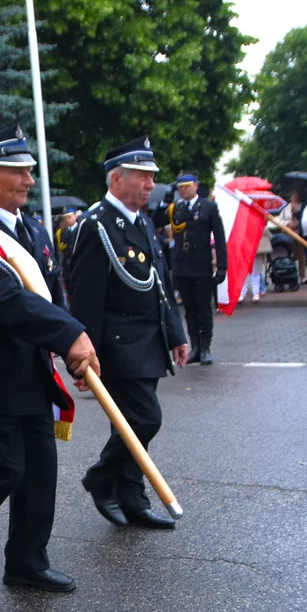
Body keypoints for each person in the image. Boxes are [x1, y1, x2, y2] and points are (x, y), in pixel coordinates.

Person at [0, 125, 98, 593]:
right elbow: (4, 299)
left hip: (33, 371)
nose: (29, 180)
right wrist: (69, 334)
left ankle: (27, 560)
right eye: (18, 172)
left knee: (39, 471)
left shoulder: (32, 229)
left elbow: (49, 297)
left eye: (30, 171)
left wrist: (72, 343)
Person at [66, 135, 189, 529]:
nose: (152, 185)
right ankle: (101, 479)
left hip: (148, 344)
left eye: (152, 177)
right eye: (142, 176)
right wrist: (84, 356)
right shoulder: (95, 226)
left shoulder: (144, 224)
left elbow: (160, 285)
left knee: (136, 423)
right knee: (144, 419)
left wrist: (175, 334)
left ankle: (132, 495)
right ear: (116, 180)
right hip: (117, 348)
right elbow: (85, 297)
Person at [163, 171, 226, 365]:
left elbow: (220, 237)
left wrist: (222, 266)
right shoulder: (176, 209)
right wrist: (166, 201)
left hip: (201, 264)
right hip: (182, 264)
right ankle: (195, 346)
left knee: (203, 308)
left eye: (187, 186)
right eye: (180, 187)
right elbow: (158, 219)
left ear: (196, 186)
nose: (183, 190)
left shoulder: (208, 207)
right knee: (189, 309)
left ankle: (206, 347)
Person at [282, 189, 307, 283]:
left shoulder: (302, 207)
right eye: (293, 196)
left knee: (301, 256)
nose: (295, 198)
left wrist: (298, 222)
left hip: (299, 234)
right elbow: (281, 219)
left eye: (296, 196)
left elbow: (304, 219)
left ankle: (302, 276)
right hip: (289, 234)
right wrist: (288, 224)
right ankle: (291, 274)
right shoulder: (286, 207)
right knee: (290, 255)